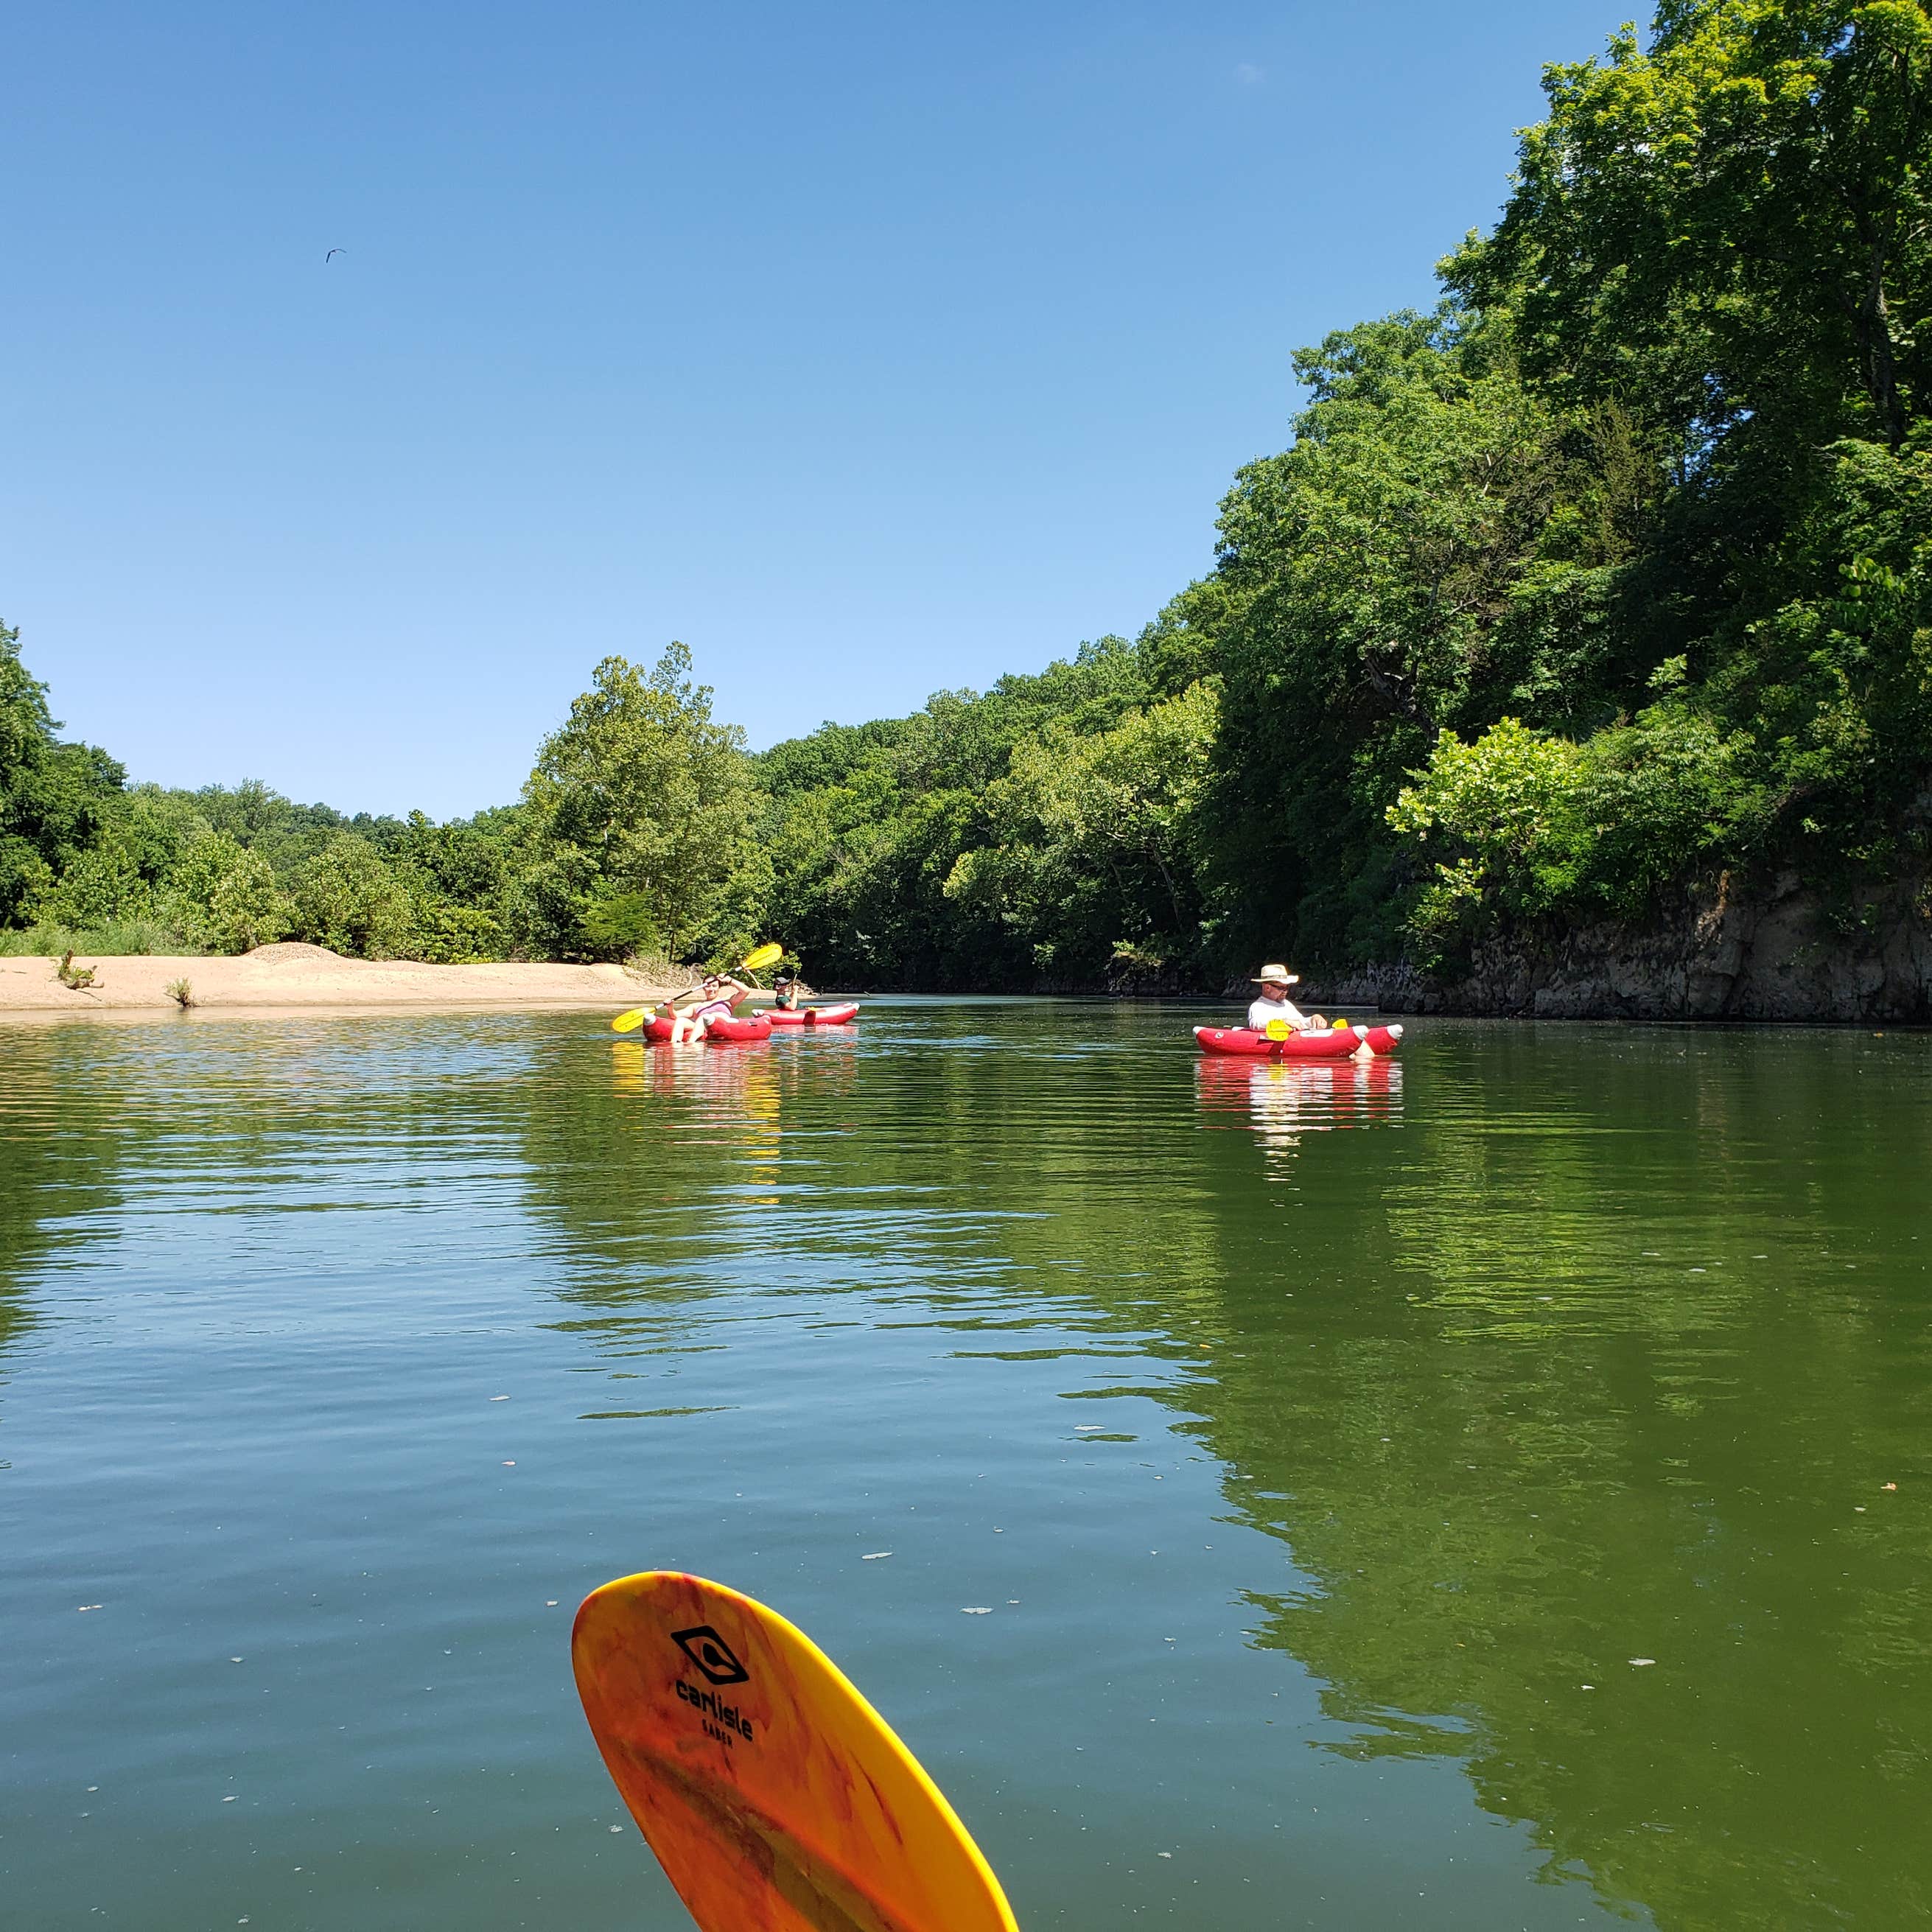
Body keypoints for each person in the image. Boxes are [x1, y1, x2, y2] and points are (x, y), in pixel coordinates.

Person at [663, 971, 750, 1046]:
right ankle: (674, 1046)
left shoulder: (727, 1000)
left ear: (719, 987)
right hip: (702, 1027)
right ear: (704, 988)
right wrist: (670, 1007)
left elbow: (746, 991)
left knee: (703, 1017)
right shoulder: (697, 1006)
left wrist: (730, 980)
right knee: (681, 1021)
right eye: (708, 986)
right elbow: (675, 1016)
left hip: (721, 1024)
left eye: (714, 986)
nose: (711, 989)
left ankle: (691, 1043)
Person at [1247, 965, 1314, 1032]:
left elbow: (1300, 1022)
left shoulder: (1287, 1004)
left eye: (1287, 987)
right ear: (1267, 988)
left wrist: (1312, 1020)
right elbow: (1255, 1024)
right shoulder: (1258, 1006)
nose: (1285, 991)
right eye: (1281, 988)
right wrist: (1284, 1022)